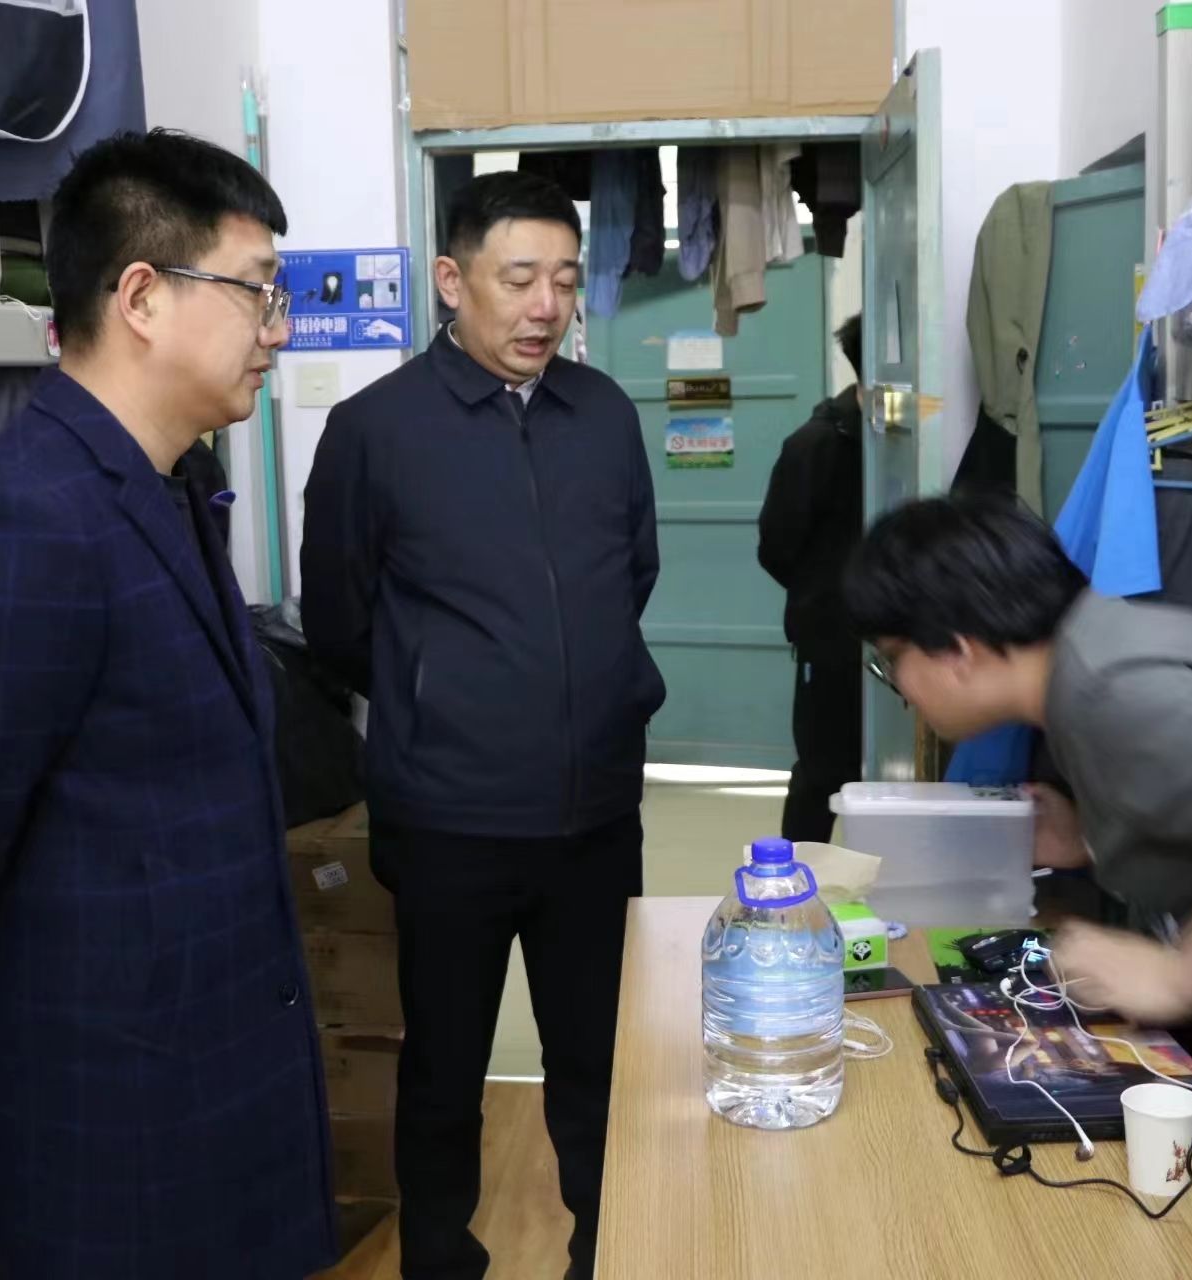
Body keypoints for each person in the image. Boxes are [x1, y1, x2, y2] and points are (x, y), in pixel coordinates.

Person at [0, 129, 335, 1279]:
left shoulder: (167, 484)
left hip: (220, 1081)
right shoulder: (34, 515)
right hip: (111, 1112)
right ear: (142, 297)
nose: (278, 330)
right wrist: (63, 999)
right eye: (258, 292)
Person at [302, 170, 663, 1280]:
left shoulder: (604, 415)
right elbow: (340, 623)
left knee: (599, 1066)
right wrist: (445, 696)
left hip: (595, 818)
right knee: (444, 1071)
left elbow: (632, 574)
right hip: (448, 822)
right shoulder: (374, 430)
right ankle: (441, 1260)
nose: (545, 306)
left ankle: (606, 1254)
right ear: (454, 282)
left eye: (564, 279)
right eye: (519, 278)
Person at [842, 493, 1192, 1029]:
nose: (901, 688)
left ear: (957, 652)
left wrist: (1183, 979)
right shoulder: (1088, 648)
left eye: (893, 659)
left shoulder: (1104, 690)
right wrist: (1090, 837)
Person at [758, 313, 865, 842]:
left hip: (896, 642)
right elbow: (777, 548)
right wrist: (827, 597)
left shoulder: (905, 440)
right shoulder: (816, 443)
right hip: (830, 642)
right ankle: (796, 883)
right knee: (822, 771)